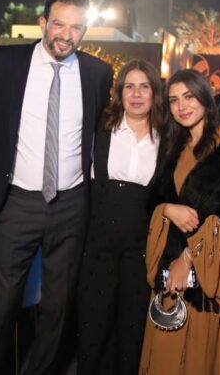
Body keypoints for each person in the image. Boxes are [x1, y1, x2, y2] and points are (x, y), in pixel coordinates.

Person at [0, 0, 113, 375]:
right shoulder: (6, 61)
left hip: (72, 203)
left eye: (76, 27)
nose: (66, 35)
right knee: (3, 302)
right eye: (59, 24)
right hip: (17, 201)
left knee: (58, 305)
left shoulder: (97, 73)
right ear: (42, 23)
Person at [139, 69, 220, 375]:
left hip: (212, 266)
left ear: (205, 97)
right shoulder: (173, 147)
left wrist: (188, 259)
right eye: (174, 100)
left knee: (201, 352)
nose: (182, 106)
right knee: (166, 345)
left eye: (189, 97)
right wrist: (167, 209)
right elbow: (153, 198)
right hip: (170, 259)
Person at [76, 60, 163, 374]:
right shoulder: (101, 128)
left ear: (155, 93)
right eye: (129, 86)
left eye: (144, 87)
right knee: (93, 325)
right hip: (98, 243)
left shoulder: (167, 137)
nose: (136, 94)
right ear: (119, 92)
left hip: (141, 248)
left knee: (132, 327)